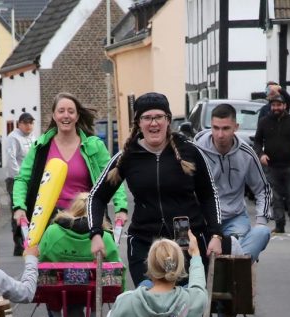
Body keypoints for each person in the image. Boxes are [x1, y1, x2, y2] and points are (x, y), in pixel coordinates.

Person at [12, 92, 127, 317]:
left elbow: (112, 177)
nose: (66, 115)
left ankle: (92, 311)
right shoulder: (41, 146)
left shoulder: (93, 145)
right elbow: (23, 179)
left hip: (86, 211)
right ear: (53, 115)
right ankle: (53, 309)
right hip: (49, 214)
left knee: (101, 259)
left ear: (77, 116)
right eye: (61, 111)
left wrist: (121, 208)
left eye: (70, 111)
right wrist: (20, 206)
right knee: (45, 265)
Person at [89, 92, 223, 287]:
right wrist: (95, 234)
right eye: (147, 118)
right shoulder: (127, 157)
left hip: (187, 243)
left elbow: (209, 195)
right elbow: (96, 197)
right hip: (145, 244)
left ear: (168, 120)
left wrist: (216, 235)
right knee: (149, 302)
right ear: (138, 123)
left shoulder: (189, 151)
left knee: (185, 305)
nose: (153, 123)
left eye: (159, 117)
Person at [35, 192, 121, 317]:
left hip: (59, 284)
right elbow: (116, 264)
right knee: (99, 292)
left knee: (50, 286)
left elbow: (41, 258)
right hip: (93, 286)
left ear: (72, 209)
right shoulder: (103, 237)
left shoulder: (53, 232)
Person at [194, 103, 272, 262]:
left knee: (262, 233)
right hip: (204, 218)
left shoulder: (246, 154)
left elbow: (262, 189)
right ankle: (235, 265)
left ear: (236, 127)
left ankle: (234, 266)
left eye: (226, 128)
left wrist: (261, 220)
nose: (220, 134)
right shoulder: (197, 150)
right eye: (215, 128)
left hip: (234, 218)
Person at [254, 93, 290, 234]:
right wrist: (261, 154)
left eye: (278, 105)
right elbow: (257, 141)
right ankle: (279, 225)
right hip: (272, 166)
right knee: (276, 198)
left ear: (284, 106)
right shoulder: (264, 121)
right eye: (273, 105)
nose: (276, 108)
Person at [4, 112, 35, 256]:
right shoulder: (13, 138)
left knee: (31, 210)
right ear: (20, 124)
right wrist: (19, 178)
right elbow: (11, 160)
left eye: (31, 123)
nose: (29, 126)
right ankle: (18, 244)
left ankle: (30, 240)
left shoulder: (33, 138)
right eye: (26, 123)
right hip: (16, 179)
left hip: (30, 179)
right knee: (17, 210)